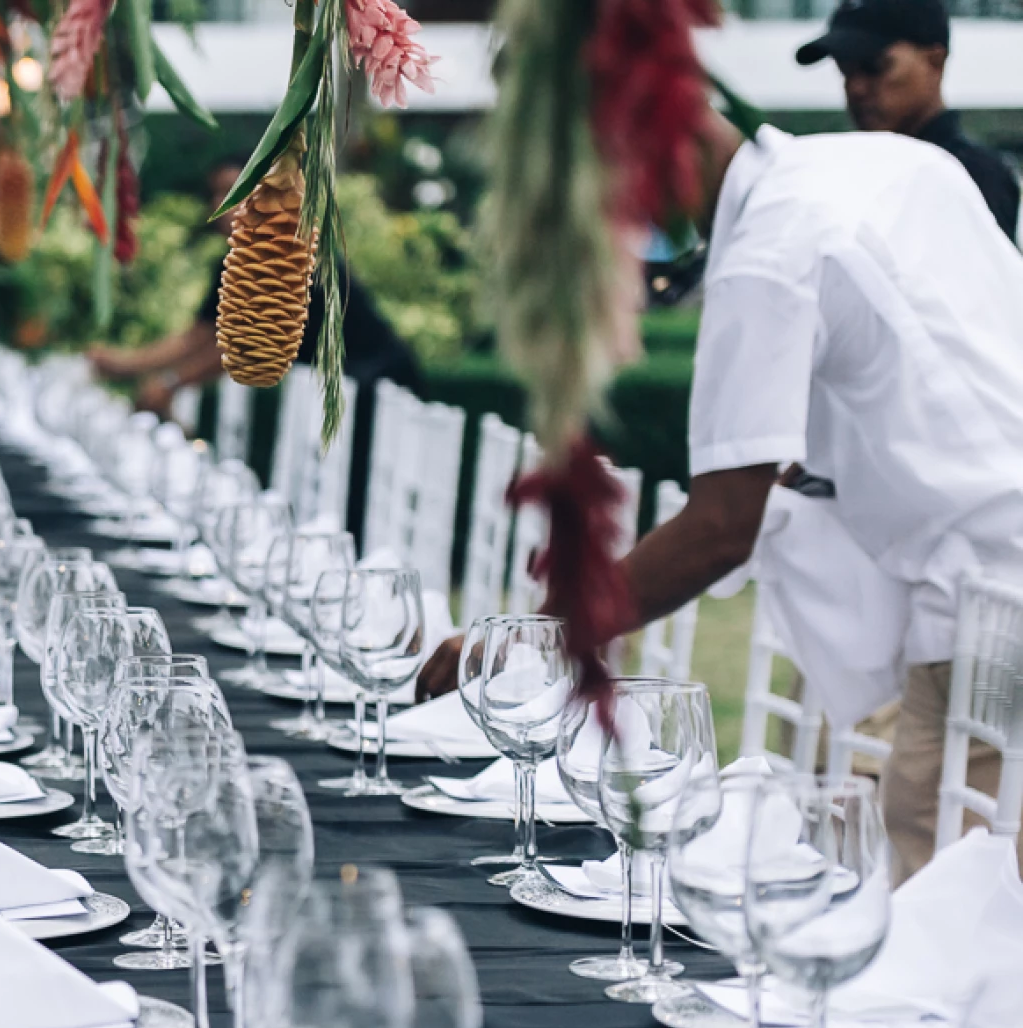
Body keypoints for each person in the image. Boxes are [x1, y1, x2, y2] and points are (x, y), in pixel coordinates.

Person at [420, 108, 1023, 878]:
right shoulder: (885, 163)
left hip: (996, 606)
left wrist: (531, 641)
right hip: (986, 584)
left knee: (941, 916)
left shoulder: (769, 254)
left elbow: (720, 527)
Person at [87, 162, 421, 417]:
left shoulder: (281, 255)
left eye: (235, 191)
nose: (223, 203)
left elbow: (241, 344)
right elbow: (200, 337)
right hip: (339, 386)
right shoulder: (238, 260)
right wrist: (124, 364)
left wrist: (171, 382)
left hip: (376, 382)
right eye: (216, 193)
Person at [795, 0, 1020, 241]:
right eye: (844, 70)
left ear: (935, 60)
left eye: (874, 66)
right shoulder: (846, 173)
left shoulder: (969, 177)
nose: (855, 87)